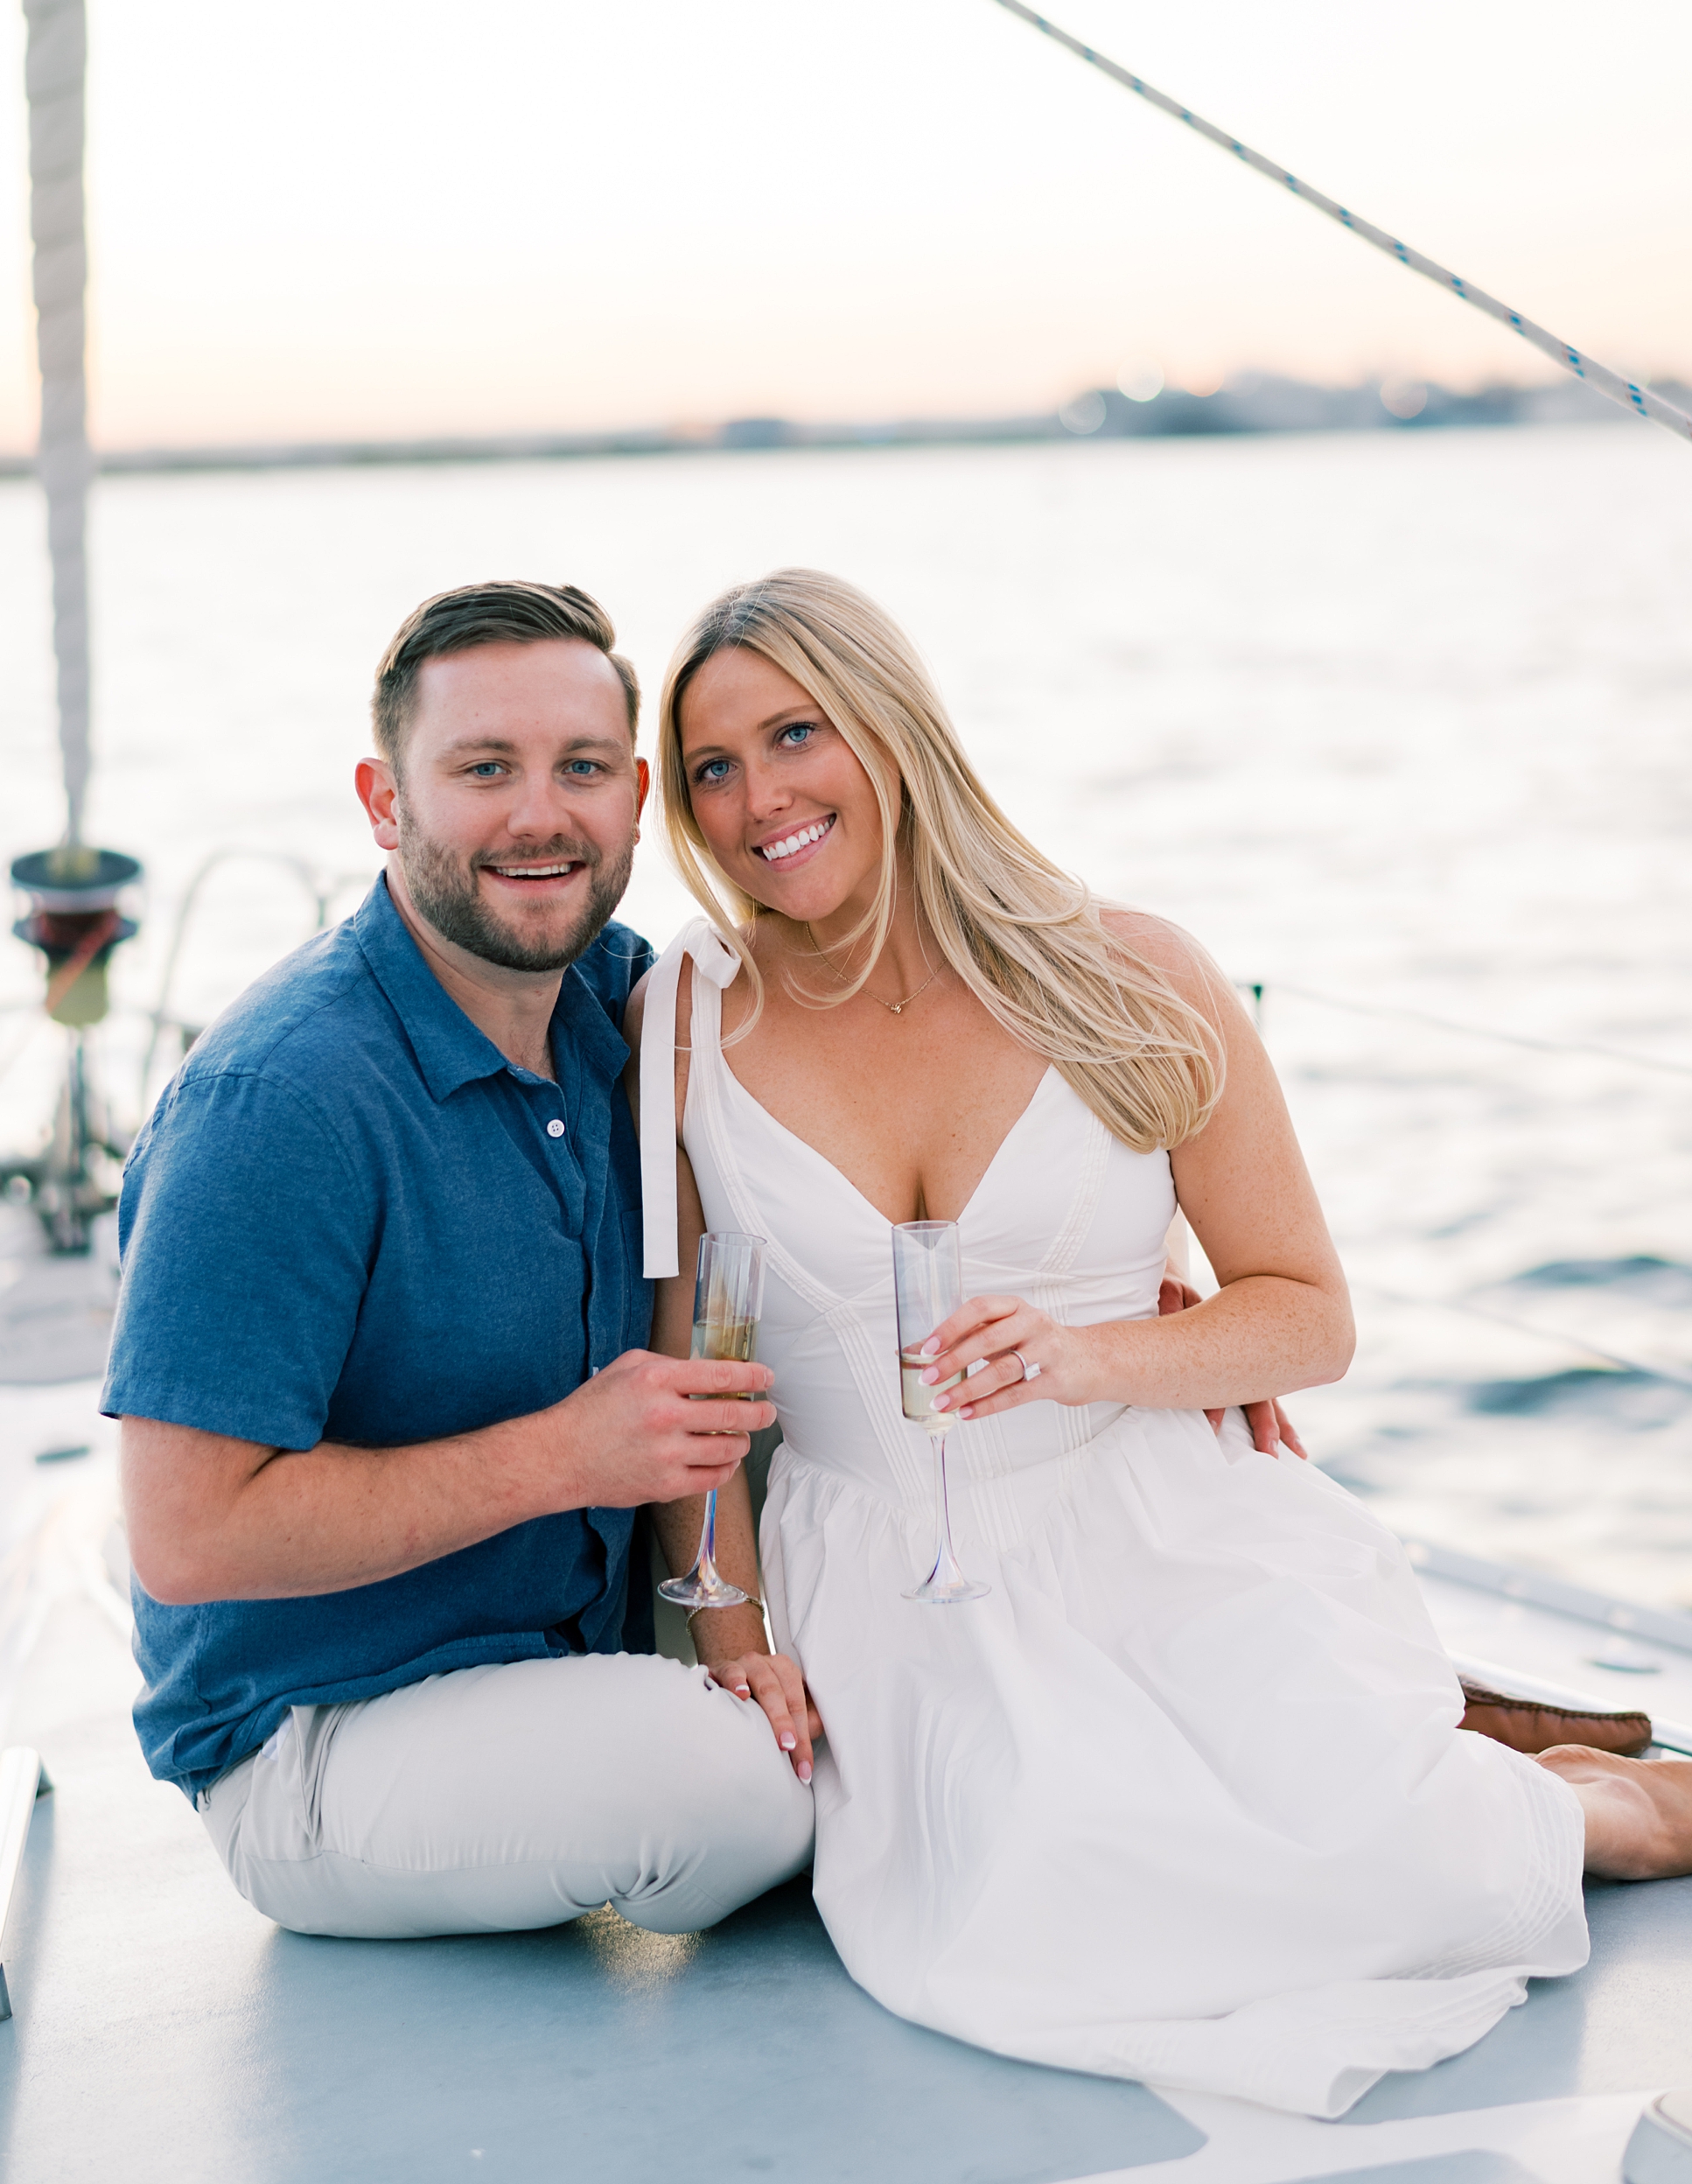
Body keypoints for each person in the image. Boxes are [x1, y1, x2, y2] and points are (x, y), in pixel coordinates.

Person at [633, 567, 1692, 2119]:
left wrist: (1097, 1358)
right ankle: (1512, 1763)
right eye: (713, 767)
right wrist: (735, 1643)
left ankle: (1618, 1805)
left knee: (1402, 1868)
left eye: (796, 735)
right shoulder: (683, 1022)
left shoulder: (1127, 973)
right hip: (888, 1583)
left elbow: (1307, 1313)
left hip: (1154, 1522)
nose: (758, 800)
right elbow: (700, 1387)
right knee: (1022, 1924)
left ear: (892, 729)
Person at [106, 579, 813, 1942]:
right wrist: (566, 1456)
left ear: (637, 797)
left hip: (573, 1658)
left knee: (921, 1636)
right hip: (323, 1740)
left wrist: (1125, 1289)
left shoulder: (634, 1006)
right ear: (385, 801)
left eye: (582, 769)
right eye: (484, 769)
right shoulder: (280, 1102)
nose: (539, 815)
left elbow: (872, 1070)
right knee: (738, 1787)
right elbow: (186, 1539)